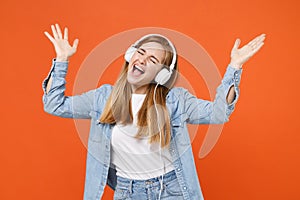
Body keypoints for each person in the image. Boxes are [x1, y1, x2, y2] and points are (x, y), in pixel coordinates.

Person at [42, 24, 265, 200]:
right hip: (127, 192)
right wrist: (62, 60)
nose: (141, 60)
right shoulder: (103, 98)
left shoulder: (176, 101)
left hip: (171, 190)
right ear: (130, 56)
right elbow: (54, 104)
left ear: (162, 74)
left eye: (153, 60)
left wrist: (234, 67)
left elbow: (219, 113)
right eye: (140, 53)